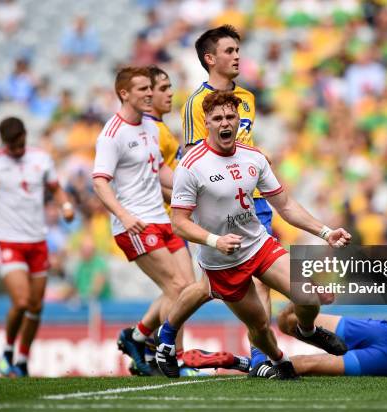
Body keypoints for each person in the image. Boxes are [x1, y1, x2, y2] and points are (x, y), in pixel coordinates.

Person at [156, 91, 352, 380]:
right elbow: (179, 223)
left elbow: (285, 204)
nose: (225, 123)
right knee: (259, 326)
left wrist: (325, 231)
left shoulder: (254, 157)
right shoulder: (191, 165)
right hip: (224, 260)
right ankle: (280, 361)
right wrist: (215, 241)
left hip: (257, 244)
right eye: (218, 118)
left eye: (231, 117)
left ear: (239, 122)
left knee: (309, 296)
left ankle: (306, 330)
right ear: (206, 123)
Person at [172, 24, 275, 369]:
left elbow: (241, 148)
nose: (237, 56)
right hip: (219, 205)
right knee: (211, 286)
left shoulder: (246, 98)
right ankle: (161, 334)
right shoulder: (196, 104)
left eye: (238, 50)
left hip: (254, 198)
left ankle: (262, 356)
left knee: (264, 279)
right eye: (229, 51)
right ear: (210, 58)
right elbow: (190, 157)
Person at [92, 66, 192, 376]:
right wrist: (123, 214)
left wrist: (192, 191)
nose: (150, 94)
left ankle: (136, 337)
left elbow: (160, 169)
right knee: (176, 287)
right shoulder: (112, 134)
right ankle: (170, 357)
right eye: (143, 89)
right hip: (135, 224)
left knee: (188, 289)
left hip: (161, 218)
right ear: (124, 93)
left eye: (151, 88)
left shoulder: (150, 127)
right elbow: (99, 182)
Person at [187, 289, 387, 378]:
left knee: (288, 322)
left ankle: (305, 312)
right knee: (299, 365)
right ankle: (238, 367)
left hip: (386, 332)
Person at [0, 117, 75, 377]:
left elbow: (56, 188)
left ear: (25, 136)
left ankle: (22, 358)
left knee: (36, 306)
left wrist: (65, 206)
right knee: (21, 301)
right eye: (12, 146)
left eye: (20, 145)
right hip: (7, 239)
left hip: (37, 239)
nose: (17, 150)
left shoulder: (41, 159)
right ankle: (7, 349)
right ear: (3, 142)